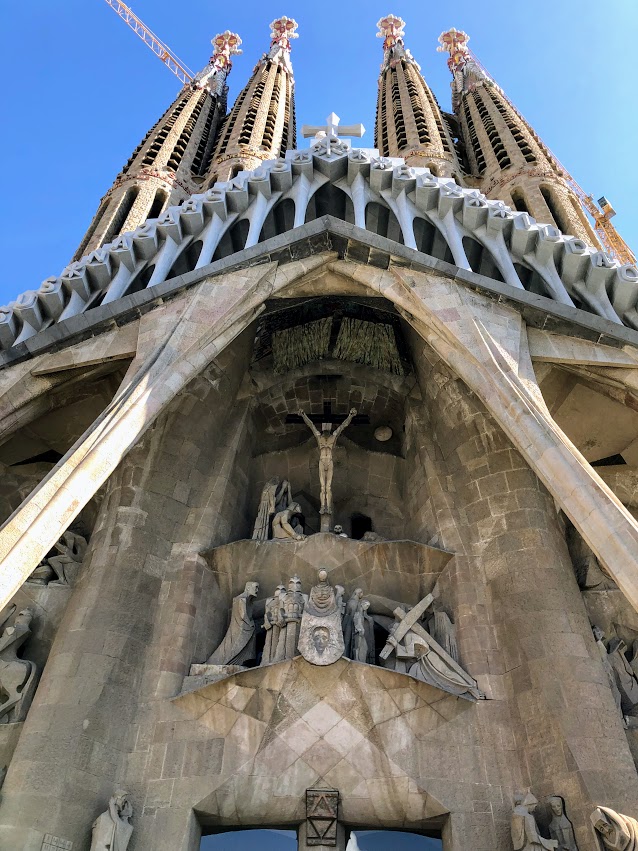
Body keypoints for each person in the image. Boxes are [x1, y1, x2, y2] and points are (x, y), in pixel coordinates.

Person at [298, 408, 357, 514]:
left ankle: (328, 507)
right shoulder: (318, 436)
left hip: (329, 462)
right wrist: (303, 415)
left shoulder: (333, 436)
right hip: (322, 462)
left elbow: (343, 426)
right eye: (324, 427)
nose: (325, 428)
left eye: (327, 426)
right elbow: (310, 425)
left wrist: (350, 416)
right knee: (322, 487)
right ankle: (322, 506)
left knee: (328, 487)